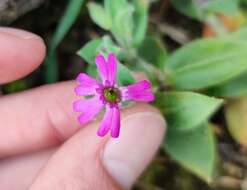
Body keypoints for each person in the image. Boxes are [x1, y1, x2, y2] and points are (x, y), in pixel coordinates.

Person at [0, 27, 166, 190]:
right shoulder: (105, 97)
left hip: (128, 94)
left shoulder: (115, 90)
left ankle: (161, 82)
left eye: (111, 93)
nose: (110, 93)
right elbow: (84, 91)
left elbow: (104, 68)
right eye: (108, 93)